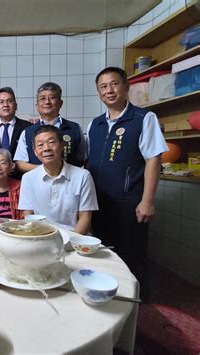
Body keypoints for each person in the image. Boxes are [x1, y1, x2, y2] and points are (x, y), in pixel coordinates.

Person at [87, 67, 168, 300]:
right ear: (99, 92)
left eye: (114, 84)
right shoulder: (95, 124)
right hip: (100, 201)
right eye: (103, 87)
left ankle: (138, 302)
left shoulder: (144, 118)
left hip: (130, 200)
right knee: (104, 253)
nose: (109, 90)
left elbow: (153, 158)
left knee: (132, 253)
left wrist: (147, 200)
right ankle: (110, 296)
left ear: (126, 87)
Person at [19, 125, 98, 234]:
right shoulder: (28, 178)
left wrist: (68, 244)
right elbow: (28, 215)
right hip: (41, 237)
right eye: (40, 145)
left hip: (74, 239)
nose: (46, 148)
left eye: (51, 142)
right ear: (35, 152)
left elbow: (85, 218)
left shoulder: (83, 176)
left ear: (62, 146)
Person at [14, 82, 85, 173]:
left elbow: (82, 159)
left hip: (69, 182)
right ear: (37, 106)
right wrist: (47, 170)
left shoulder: (74, 128)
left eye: (52, 97)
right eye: (42, 98)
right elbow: (20, 163)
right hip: (39, 182)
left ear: (60, 103)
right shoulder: (28, 132)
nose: (47, 102)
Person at [0, 87, 32, 179]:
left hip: (21, 179)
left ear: (15, 106)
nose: (5, 105)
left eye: (9, 101)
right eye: (1, 102)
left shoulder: (28, 128)